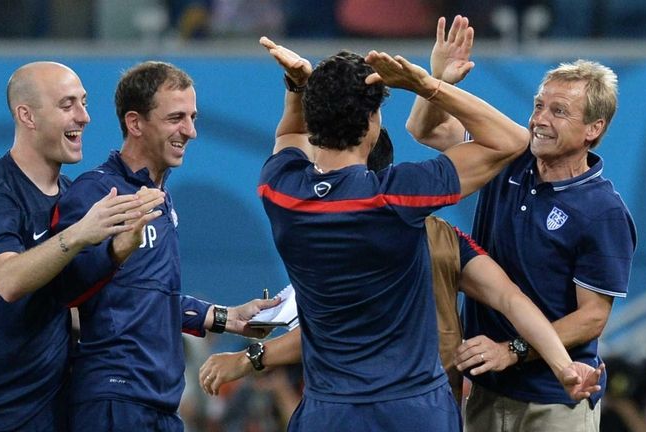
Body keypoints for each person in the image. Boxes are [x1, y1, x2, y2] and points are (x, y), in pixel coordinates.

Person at [254, 34, 601, 430]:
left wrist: (298, 88)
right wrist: (427, 85)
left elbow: (287, 136)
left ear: (314, 125)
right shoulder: (396, 196)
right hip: (412, 410)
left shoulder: (278, 190)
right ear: (372, 125)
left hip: (329, 411)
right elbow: (512, 140)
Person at [406, 15, 637, 432]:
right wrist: (439, 81)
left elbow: (591, 319)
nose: (539, 120)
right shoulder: (508, 160)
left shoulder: (603, 211)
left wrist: (511, 349)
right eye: (538, 105)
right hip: (487, 389)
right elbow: (424, 129)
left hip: (556, 399)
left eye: (559, 112)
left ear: (593, 128)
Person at [0, 61, 165, 432]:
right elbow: (8, 280)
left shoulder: (73, 197)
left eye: (84, 103)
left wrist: (118, 250)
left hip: (46, 411)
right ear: (27, 116)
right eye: (68, 105)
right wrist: (81, 234)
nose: (84, 117)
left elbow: (88, 297)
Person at [54, 60, 281, 431]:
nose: (190, 131)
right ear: (135, 123)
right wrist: (114, 252)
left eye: (193, 117)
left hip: (159, 403)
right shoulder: (97, 192)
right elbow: (65, 289)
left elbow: (146, 296)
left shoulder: (158, 196)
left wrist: (227, 318)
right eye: (176, 117)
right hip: (114, 400)